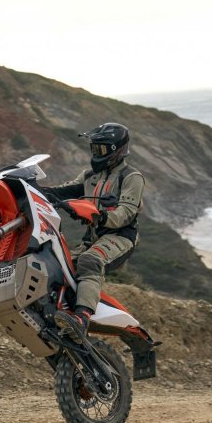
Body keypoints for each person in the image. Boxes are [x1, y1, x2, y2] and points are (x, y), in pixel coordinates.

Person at [42, 122, 145, 343]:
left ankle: (81, 319)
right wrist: (36, 190)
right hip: (91, 238)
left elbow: (126, 213)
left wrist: (98, 215)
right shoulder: (90, 175)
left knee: (90, 260)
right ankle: (56, 314)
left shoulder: (131, 177)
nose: (96, 153)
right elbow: (65, 190)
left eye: (101, 148)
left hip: (120, 237)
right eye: (94, 148)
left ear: (117, 150)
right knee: (57, 265)